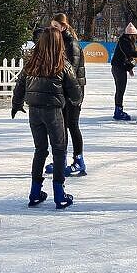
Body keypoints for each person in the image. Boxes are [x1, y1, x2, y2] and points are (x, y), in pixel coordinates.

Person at [11, 28, 82, 209]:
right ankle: (59, 194)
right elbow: (75, 92)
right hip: (53, 112)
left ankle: (35, 192)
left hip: (34, 112)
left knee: (40, 150)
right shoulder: (63, 64)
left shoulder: (31, 62)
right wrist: (74, 99)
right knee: (59, 150)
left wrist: (16, 104)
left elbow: (19, 85)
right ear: (59, 43)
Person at [49, 13, 88, 176]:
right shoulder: (60, 42)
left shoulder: (71, 44)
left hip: (74, 92)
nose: (52, 30)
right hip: (63, 91)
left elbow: (69, 71)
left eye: (55, 27)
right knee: (62, 126)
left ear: (63, 27)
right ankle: (61, 159)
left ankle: (79, 160)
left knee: (72, 125)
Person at [109, 23, 137, 120]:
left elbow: (127, 56)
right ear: (131, 35)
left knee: (120, 89)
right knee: (120, 89)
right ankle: (118, 111)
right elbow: (131, 53)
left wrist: (129, 68)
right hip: (118, 68)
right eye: (135, 35)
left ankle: (118, 109)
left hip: (119, 67)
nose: (135, 37)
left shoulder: (126, 41)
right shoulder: (125, 41)